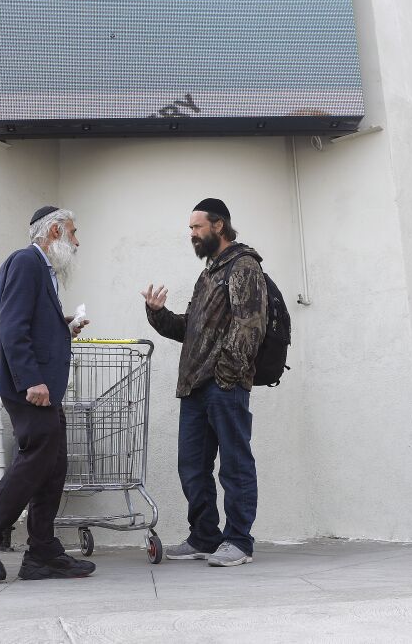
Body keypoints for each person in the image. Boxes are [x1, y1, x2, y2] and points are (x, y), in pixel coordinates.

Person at [0, 206, 95, 582]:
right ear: (55, 232)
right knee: (39, 454)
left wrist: (64, 327)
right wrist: (32, 380)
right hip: (27, 383)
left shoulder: (43, 272)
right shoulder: (26, 262)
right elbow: (11, 326)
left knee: (54, 460)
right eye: (73, 233)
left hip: (39, 382)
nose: (77, 242)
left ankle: (42, 552)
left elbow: (29, 323)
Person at [141, 198, 267, 567]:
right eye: (190, 229)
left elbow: (250, 327)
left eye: (197, 227)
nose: (192, 235)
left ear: (219, 226)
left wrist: (227, 375)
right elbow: (191, 330)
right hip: (195, 386)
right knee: (192, 465)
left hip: (223, 385)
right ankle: (205, 536)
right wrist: (157, 314)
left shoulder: (243, 267)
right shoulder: (210, 273)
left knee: (234, 463)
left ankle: (239, 542)